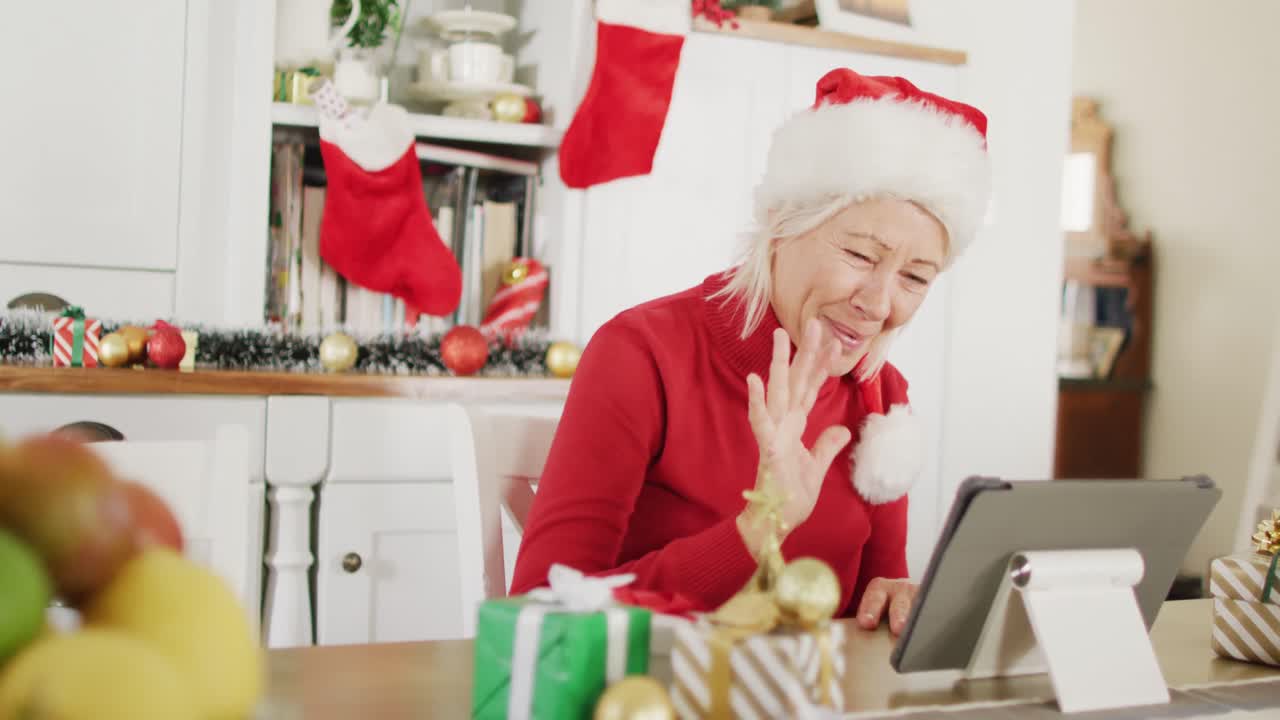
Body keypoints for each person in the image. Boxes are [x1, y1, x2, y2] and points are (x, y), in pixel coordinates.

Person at [510, 68, 991, 636]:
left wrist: (893, 600)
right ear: (782, 224)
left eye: (915, 276)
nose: (879, 304)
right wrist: (758, 528)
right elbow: (541, 613)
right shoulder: (642, 354)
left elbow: (868, 611)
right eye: (861, 256)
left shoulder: (880, 394)